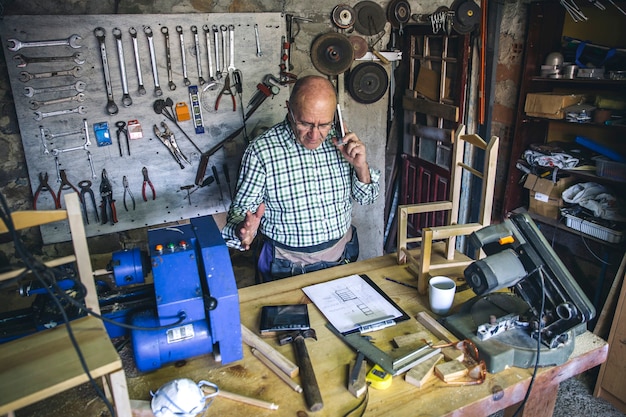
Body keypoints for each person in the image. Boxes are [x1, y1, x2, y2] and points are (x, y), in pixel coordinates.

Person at [221, 75, 380, 282]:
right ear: (289, 109)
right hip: (286, 265)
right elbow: (239, 214)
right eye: (305, 123)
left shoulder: (343, 142)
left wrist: (361, 167)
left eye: (323, 124)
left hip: (342, 255)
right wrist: (243, 230)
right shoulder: (262, 152)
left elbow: (367, 199)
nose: (314, 135)